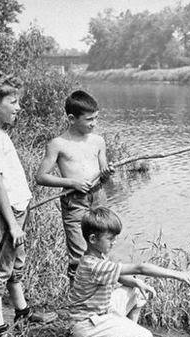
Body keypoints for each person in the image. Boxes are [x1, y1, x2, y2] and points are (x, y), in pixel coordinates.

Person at [0, 72, 56, 337]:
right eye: (14, 102)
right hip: (3, 216)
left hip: (14, 212)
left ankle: (22, 312)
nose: (19, 107)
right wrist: (12, 224)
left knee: (15, 264)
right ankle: (0, 333)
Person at [68, 207, 190, 337]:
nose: (114, 242)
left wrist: (137, 283)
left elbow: (116, 276)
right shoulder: (94, 265)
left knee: (137, 291)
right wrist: (179, 274)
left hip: (100, 313)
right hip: (86, 325)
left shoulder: (96, 257)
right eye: (110, 239)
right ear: (93, 239)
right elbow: (141, 268)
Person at [35, 90, 114, 282]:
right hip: (75, 202)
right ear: (71, 118)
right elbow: (41, 177)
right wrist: (72, 183)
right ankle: (76, 302)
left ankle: (101, 297)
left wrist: (107, 173)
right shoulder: (58, 144)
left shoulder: (98, 141)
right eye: (89, 119)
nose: (94, 123)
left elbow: (104, 175)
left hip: (98, 197)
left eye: (96, 118)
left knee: (103, 247)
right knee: (79, 256)